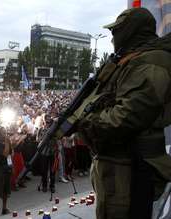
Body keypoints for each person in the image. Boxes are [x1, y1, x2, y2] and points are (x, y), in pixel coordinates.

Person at [77, 7, 171, 219]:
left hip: (133, 168)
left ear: (131, 31)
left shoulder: (150, 62)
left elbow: (125, 117)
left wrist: (86, 122)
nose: (112, 39)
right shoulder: (133, 60)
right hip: (122, 165)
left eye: (116, 32)